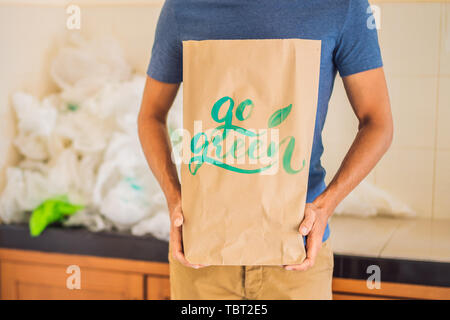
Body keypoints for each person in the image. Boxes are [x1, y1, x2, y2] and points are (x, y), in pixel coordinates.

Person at [138, 0, 393, 300]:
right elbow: (150, 116)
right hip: (201, 257)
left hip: (296, 254)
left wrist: (325, 206)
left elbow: (378, 123)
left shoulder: (342, 6)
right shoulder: (183, 7)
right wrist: (174, 198)